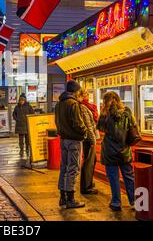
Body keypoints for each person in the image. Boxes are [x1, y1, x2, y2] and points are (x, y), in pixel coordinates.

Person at [97, 91, 136, 212]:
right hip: (124, 150)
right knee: (129, 176)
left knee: (113, 178)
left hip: (109, 151)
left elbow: (100, 128)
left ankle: (116, 203)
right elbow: (133, 127)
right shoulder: (127, 112)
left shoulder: (105, 114)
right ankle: (134, 201)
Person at [55, 80, 88, 209]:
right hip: (74, 140)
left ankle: (62, 196)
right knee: (73, 168)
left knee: (64, 167)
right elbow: (78, 124)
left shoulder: (59, 104)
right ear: (75, 91)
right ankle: (70, 198)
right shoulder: (73, 104)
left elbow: (57, 122)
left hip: (63, 140)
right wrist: (84, 132)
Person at [78, 89, 100, 195]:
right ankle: (86, 187)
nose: (87, 96)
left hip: (90, 137)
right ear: (81, 96)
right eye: (85, 94)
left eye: (88, 94)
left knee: (91, 160)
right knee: (89, 162)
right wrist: (92, 140)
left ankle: (88, 183)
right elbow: (88, 125)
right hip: (88, 139)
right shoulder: (82, 107)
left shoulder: (88, 106)